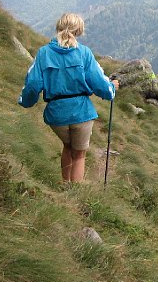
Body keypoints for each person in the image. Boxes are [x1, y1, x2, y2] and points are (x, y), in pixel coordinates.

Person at [18, 13, 118, 183]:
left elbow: (33, 83)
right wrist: (111, 89)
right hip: (81, 113)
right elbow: (99, 82)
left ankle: (65, 185)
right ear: (79, 31)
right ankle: (75, 194)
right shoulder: (84, 53)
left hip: (56, 115)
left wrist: (26, 101)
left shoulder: (43, 53)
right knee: (79, 154)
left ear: (58, 27)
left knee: (67, 146)